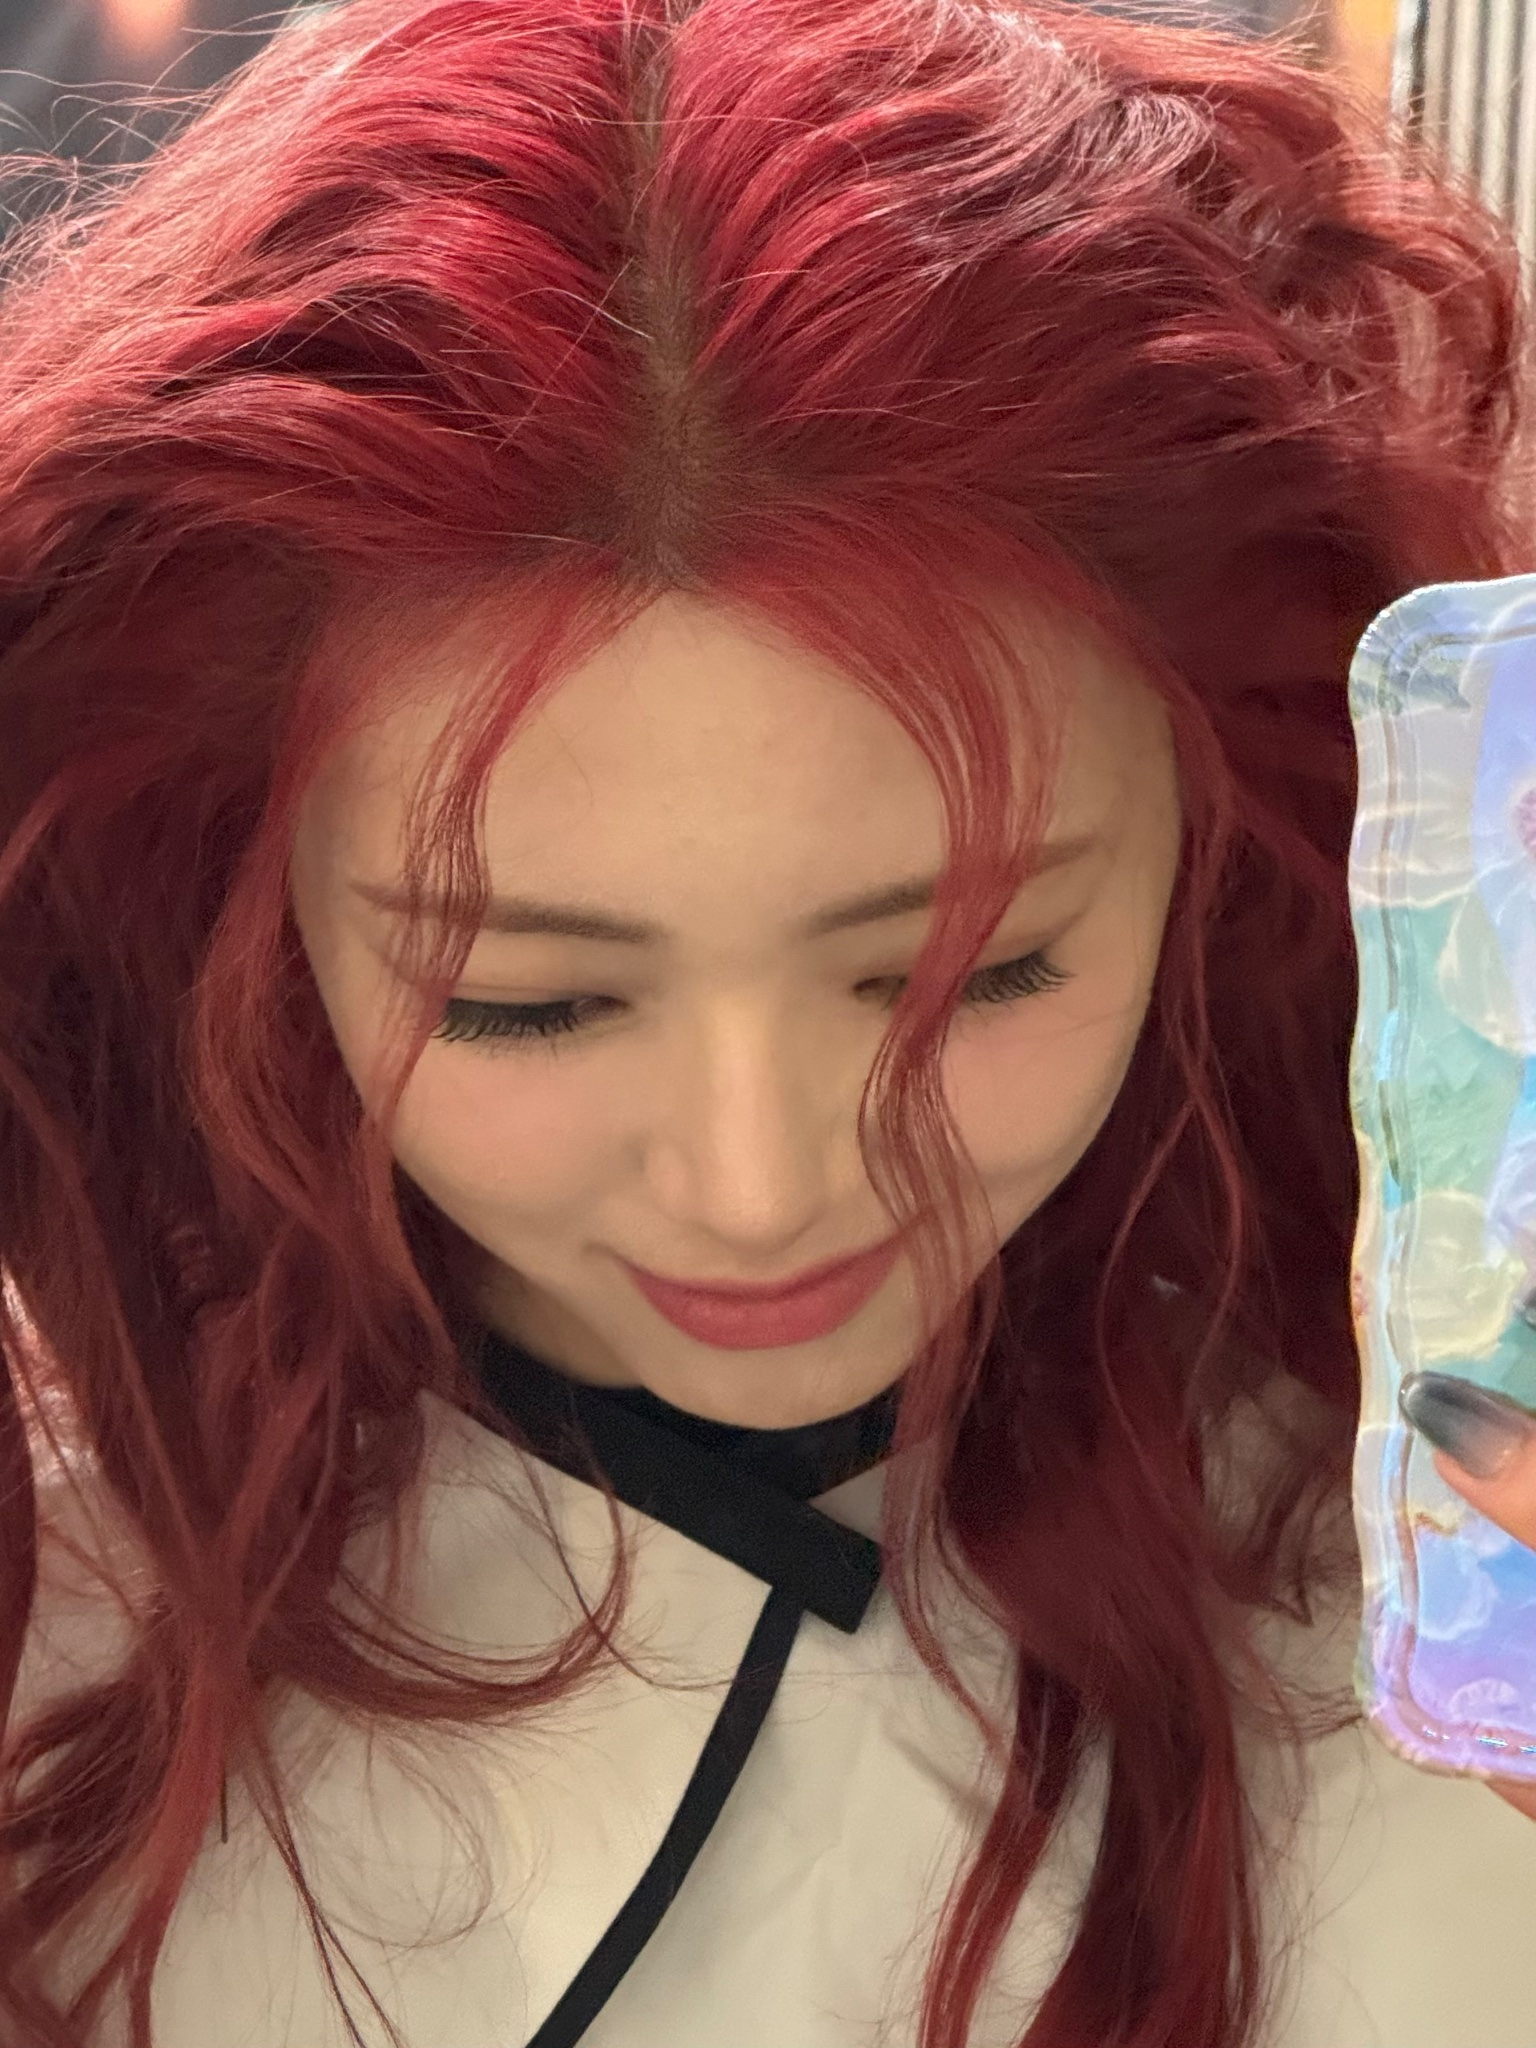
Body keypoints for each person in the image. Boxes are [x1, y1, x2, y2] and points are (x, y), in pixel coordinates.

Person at [2, 0, 1535, 2043]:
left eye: (976, 969)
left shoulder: (1432, 1564)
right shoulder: (64, 1602)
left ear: (1225, 834)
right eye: (534, 1002)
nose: (763, 1189)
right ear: (242, 903)